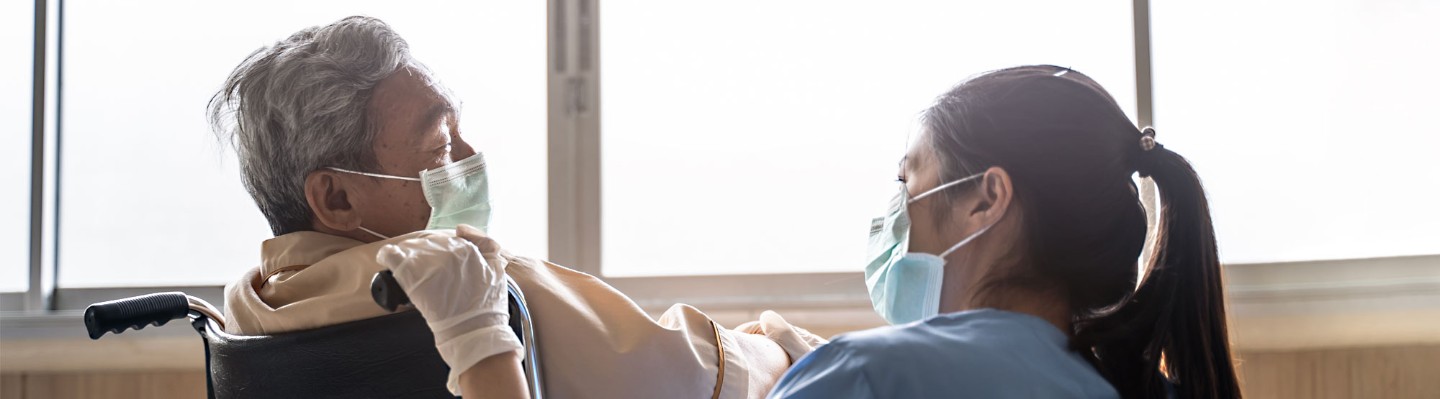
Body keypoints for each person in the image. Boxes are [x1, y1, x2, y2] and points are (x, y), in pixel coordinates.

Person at [208, 16, 822, 398]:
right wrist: (773, 339)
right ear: (337, 198)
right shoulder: (476, 293)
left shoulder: (252, 308)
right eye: (442, 145)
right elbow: (701, 379)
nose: (472, 157)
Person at [767, 66, 1241, 398]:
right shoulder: (1156, 392)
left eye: (906, 181)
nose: (896, 209)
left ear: (987, 199)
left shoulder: (861, 379)